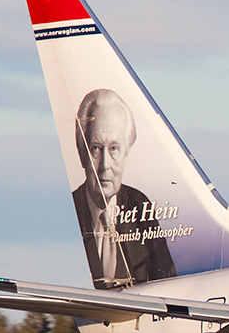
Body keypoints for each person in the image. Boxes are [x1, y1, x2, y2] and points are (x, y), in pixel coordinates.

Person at [71, 89, 177, 289]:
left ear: (126, 154)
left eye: (114, 149)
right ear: (81, 154)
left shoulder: (139, 205)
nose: (105, 165)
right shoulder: (71, 209)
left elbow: (167, 282)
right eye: (95, 148)